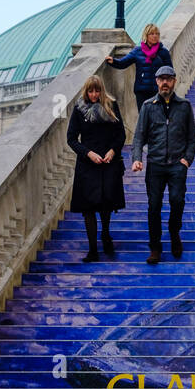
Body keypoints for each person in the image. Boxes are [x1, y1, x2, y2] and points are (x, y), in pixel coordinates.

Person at [131, 65, 195, 265]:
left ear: (174, 81)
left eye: (168, 79)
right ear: (157, 82)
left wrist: (187, 160)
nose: (165, 83)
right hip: (155, 164)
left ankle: (174, 232)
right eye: (161, 79)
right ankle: (155, 247)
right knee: (153, 206)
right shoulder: (148, 106)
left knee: (177, 201)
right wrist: (137, 158)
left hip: (177, 164)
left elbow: (192, 138)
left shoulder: (184, 106)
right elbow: (138, 137)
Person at [66, 75, 126, 262]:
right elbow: (71, 138)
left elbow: (121, 134)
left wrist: (113, 151)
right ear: (86, 91)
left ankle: (106, 234)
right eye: (91, 91)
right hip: (88, 164)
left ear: (101, 91)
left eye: (97, 91)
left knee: (106, 203)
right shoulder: (79, 110)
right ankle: (92, 249)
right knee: (89, 208)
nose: (94, 95)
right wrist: (87, 153)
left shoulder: (111, 106)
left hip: (108, 162)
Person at [105, 23, 174, 112]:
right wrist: (113, 61)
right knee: (144, 116)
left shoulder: (163, 52)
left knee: (159, 116)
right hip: (142, 91)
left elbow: (170, 71)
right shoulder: (138, 51)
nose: (155, 36)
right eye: (152, 34)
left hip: (158, 90)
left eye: (157, 34)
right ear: (146, 35)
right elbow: (123, 63)